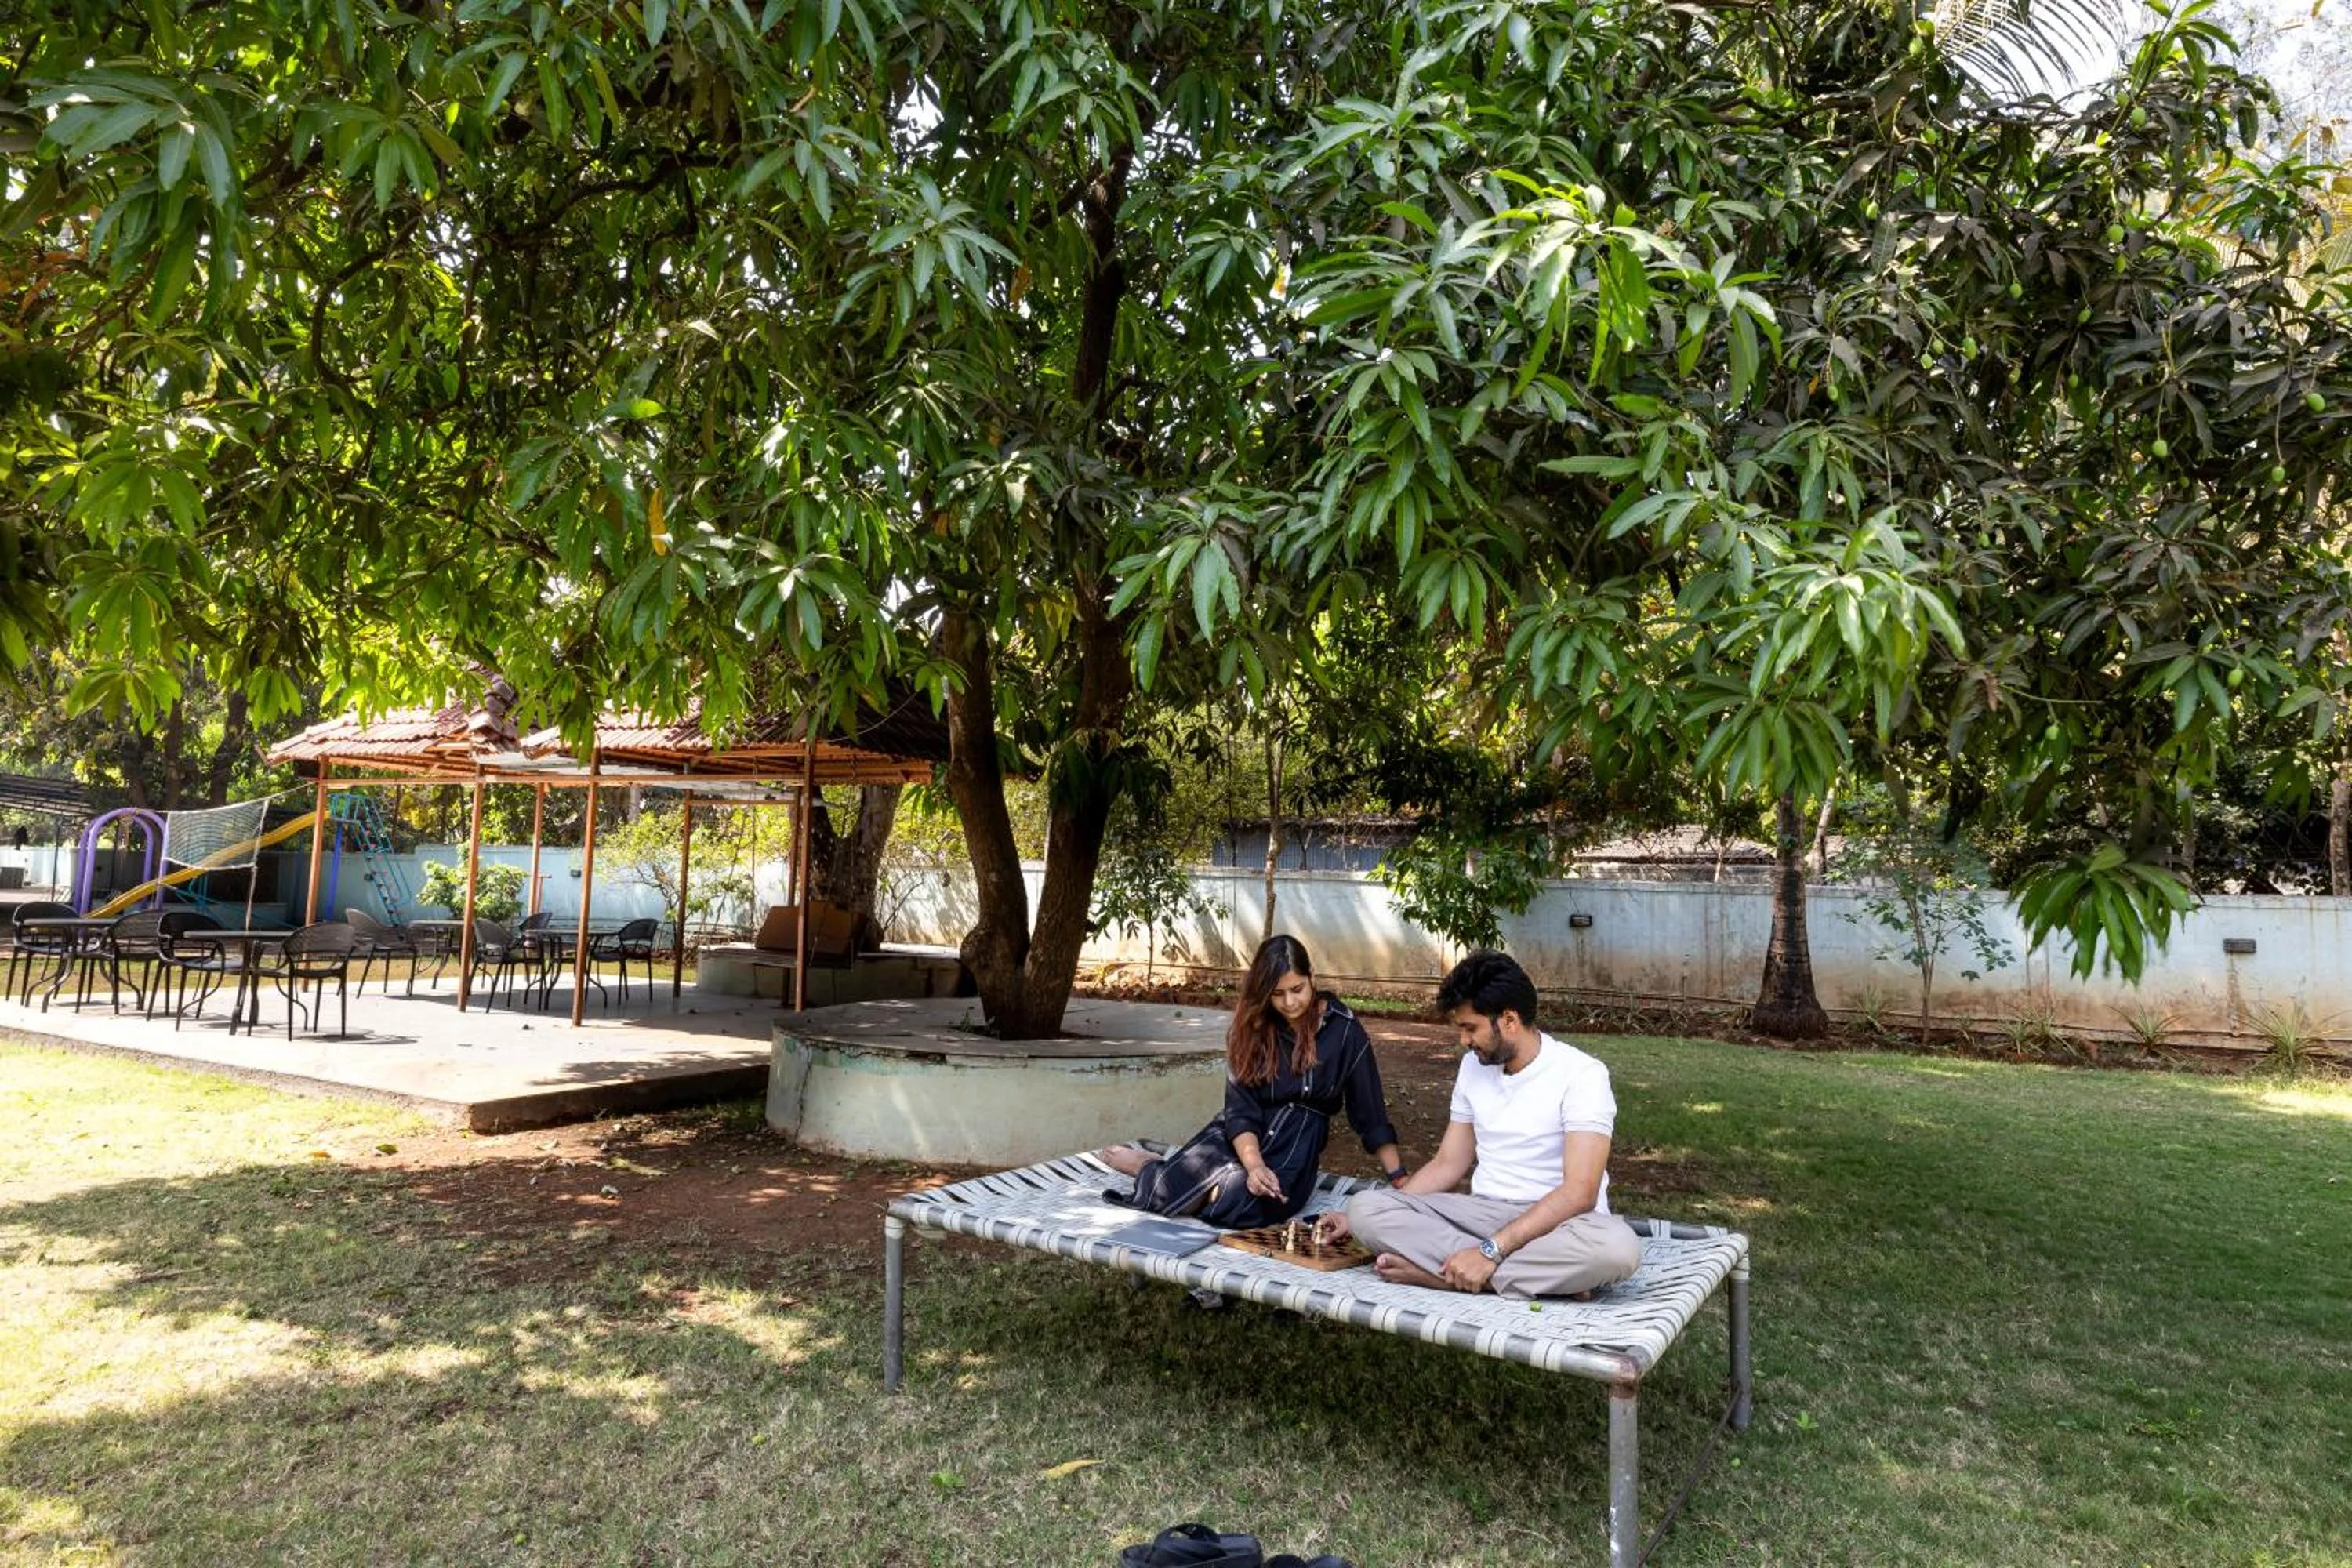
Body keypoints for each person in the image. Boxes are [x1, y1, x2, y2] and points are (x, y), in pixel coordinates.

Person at [1319, 949, 1642, 1300]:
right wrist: (1355, 1223)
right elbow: (1448, 1163)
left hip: (1561, 1223)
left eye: (1470, 1028)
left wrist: (1492, 1251)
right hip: (1483, 1215)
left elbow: (1580, 1192)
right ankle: (1524, 1276)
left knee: (1617, 1248)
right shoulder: (1473, 1068)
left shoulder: (1582, 1075)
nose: (1464, 1041)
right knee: (1367, 1209)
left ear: (1509, 1020)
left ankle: (1450, 1275)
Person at [1101, 934, 1408, 1226]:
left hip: (1295, 1151)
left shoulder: (1344, 1031)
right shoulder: (1252, 1030)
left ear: (1311, 976)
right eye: (1277, 994)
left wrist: (1398, 1176)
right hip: (1239, 1139)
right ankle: (1153, 1168)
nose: (1289, 1003)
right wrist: (1254, 1166)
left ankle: (1162, 1171)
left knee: (1241, 1204)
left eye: (1297, 989)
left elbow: (1370, 1112)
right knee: (1167, 1194)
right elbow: (1240, 1111)